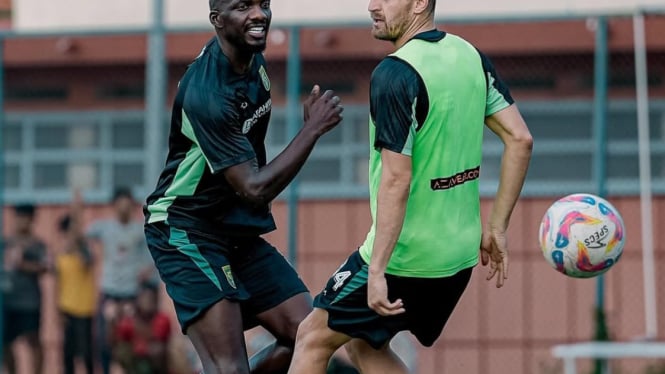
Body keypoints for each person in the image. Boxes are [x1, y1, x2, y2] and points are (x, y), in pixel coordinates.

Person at [288, 0, 534, 372]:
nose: (372, 5)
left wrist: (376, 272)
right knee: (363, 343)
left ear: (419, 3)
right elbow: (521, 139)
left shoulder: (394, 74)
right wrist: (496, 227)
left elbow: (397, 180)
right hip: (459, 258)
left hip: (406, 258)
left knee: (311, 338)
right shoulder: (469, 55)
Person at [142, 0, 344, 373]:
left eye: (263, 4)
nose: (259, 14)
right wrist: (312, 129)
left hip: (235, 230)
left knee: (312, 338)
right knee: (228, 366)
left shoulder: (255, 64)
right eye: (243, 6)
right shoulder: (207, 95)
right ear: (217, 20)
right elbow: (252, 187)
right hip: (186, 230)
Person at [87, 186, 157, 374]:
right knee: (104, 340)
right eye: (120, 205)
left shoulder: (139, 229)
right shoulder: (104, 227)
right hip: (109, 291)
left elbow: (153, 255)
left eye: (128, 205)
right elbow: (82, 236)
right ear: (114, 206)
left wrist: (147, 271)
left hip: (131, 294)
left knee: (133, 340)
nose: (124, 209)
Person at [2, 203, 48, 374]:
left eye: (25, 218)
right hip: (9, 300)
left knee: (33, 341)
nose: (21, 222)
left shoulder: (37, 245)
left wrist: (23, 265)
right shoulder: (6, 243)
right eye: (18, 217)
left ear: (31, 220)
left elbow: (45, 267)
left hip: (29, 301)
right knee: (6, 343)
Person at [55, 190, 96, 374]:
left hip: (85, 309)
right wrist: (58, 311)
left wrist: (77, 211)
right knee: (68, 355)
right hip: (67, 309)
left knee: (86, 354)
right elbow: (58, 285)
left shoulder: (84, 254)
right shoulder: (61, 258)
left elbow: (87, 259)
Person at [114, 282, 171, 374]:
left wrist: (144, 346)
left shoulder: (162, 319)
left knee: (158, 350)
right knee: (122, 350)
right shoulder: (130, 319)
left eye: (150, 298)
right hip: (136, 357)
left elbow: (158, 337)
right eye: (144, 298)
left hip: (155, 359)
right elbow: (120, 338)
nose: (147, 301)